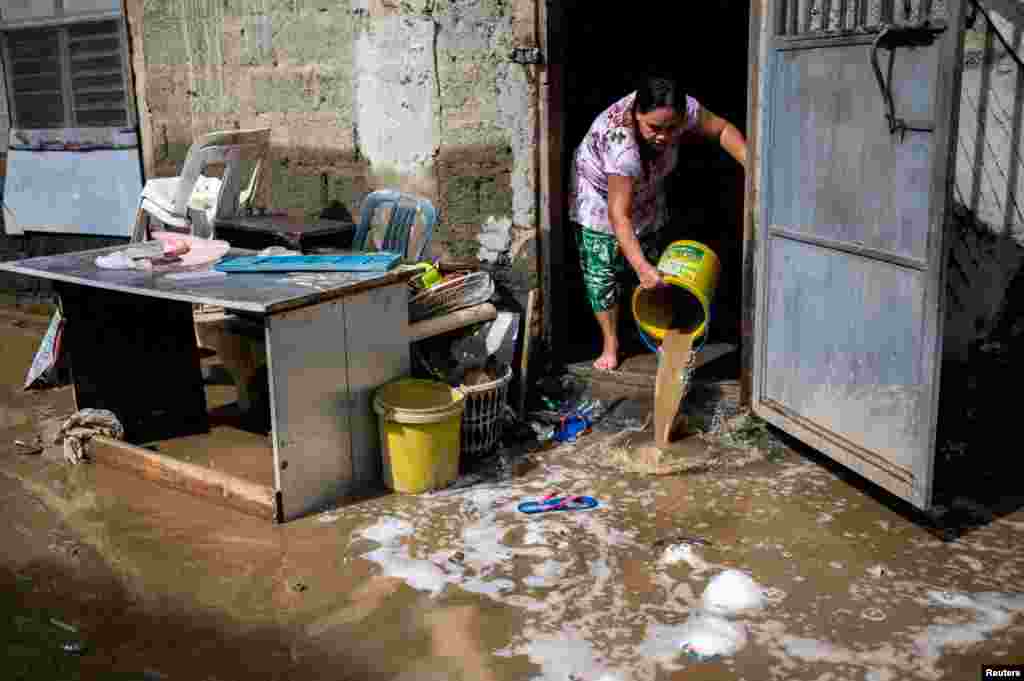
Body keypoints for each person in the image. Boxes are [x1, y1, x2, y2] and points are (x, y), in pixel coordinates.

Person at [569, 73, 748, 370]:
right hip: (601, 197)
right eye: (654, 128)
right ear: (637, 114)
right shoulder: (621, 143)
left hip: (647, 189)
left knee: (656, 261)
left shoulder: (685, 110)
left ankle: (660, 332)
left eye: (672, 128)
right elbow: (619, 215)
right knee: (603, 273)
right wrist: (640, 268)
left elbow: (722, 130)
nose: (664, 136)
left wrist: (752, 164)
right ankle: (611, 343)